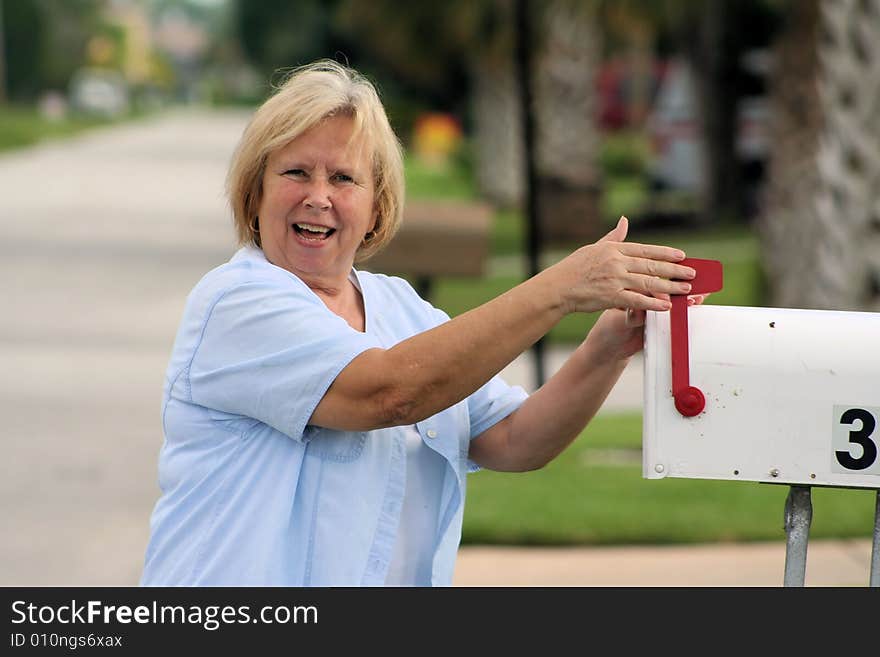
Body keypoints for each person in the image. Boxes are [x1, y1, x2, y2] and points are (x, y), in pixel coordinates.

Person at [140, 60, 700, 587]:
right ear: (254, 191)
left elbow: (515, 439)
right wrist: (560, 287)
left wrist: (607, 347)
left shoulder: (401, 308)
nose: (318, 197)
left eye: (343, 178)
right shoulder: (238, 301)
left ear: (377, 206)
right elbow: (389, 393)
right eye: (295, 172)